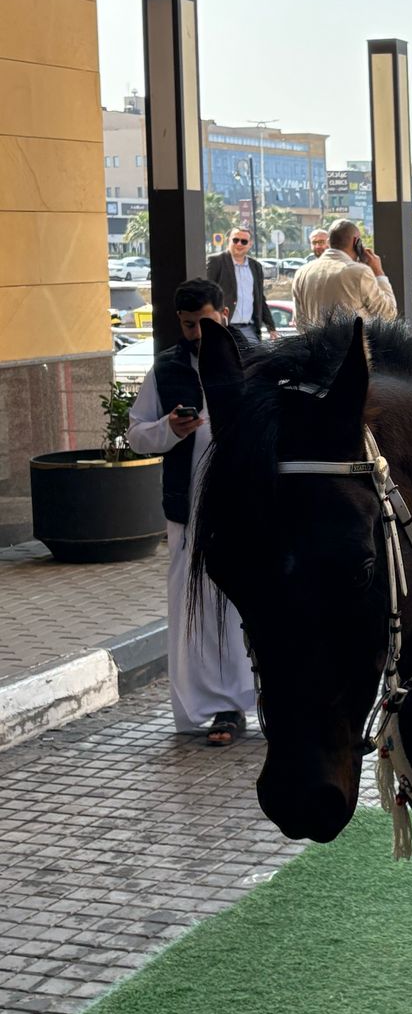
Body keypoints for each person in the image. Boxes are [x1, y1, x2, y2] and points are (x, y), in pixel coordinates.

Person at [127, 278, 257, 746]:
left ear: (225, 313)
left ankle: (268, 701)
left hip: (247, 502)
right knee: (196, 607)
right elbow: (137, 435)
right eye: (187, 325)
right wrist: (169, 428)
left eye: (204, 322)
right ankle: (220, 706)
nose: (197, 333)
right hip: (189, 508)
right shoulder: (167, 369)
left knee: (252, 602)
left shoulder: (255, 359)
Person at [291, 218, 397, 327]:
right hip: (354, 338)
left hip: (314, 338)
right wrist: (379, 272)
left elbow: (299, 322)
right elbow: (388, 314)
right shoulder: (360, 273)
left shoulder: (301, 273)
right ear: (356, 242)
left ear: (329, 242)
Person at [206, 228, 276, 346]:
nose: (239, 244)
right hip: (224, 328)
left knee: (254, 358)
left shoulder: (256, 266)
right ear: (229, 240)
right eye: (235, 240)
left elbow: (260, 299)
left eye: (244, 241)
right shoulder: (216, 261)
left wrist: (271, 326)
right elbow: (206, 294)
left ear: (250, 244)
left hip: (250, 329)